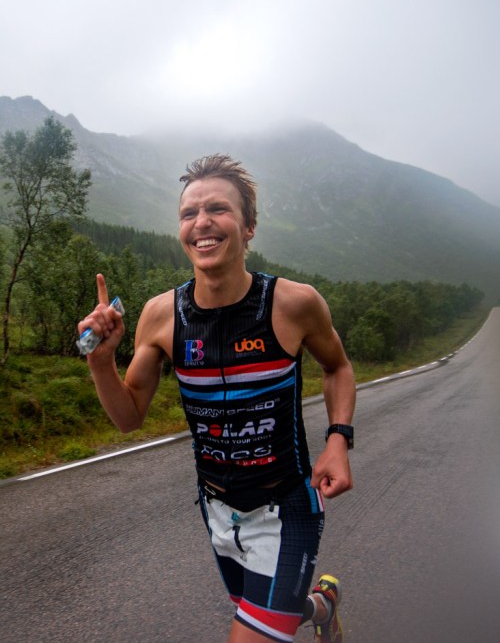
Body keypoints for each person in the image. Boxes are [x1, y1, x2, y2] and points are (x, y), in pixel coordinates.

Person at [78, 154, 355, 643]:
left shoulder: (294, 304)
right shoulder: (162, 315)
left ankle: (307, 608)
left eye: (218, 210)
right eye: (189, 213)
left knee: (254, 632)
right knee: (270, 614)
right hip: (218, 512)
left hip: (286, 509)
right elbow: (128, 417)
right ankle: (323, 608)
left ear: (249, 226)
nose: (201, 223)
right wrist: (102, 361)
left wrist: (338, 439)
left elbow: (337, 367)